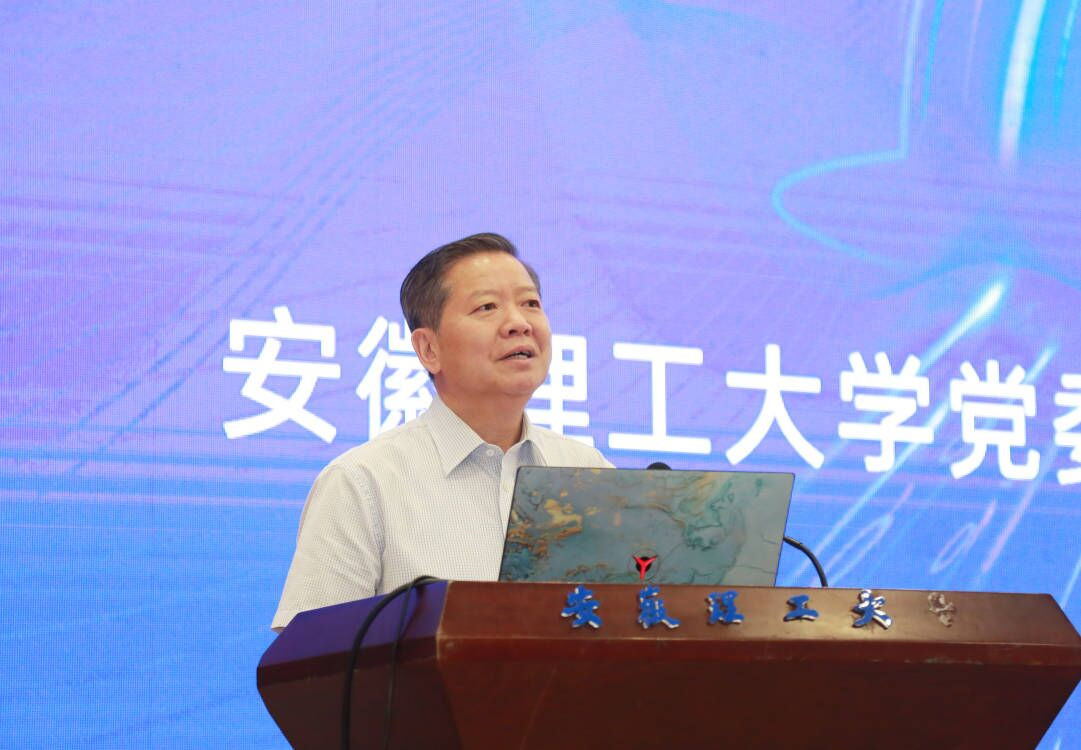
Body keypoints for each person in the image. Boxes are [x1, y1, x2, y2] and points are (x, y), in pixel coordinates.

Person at [272, 233, 611, 630]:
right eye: (487, 307)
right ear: (428, 349)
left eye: (530, 304)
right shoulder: (363, 483)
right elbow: (313, 654)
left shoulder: (590, 472)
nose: (519, 323)